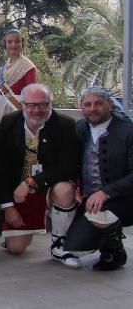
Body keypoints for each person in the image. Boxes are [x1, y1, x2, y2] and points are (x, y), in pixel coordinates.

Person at [0, 84, 79, 256]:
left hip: (49, 187)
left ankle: (59, 245)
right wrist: (8, 206)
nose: (36, 110)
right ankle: (24, 230)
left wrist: (31, 182)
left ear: (51, 103)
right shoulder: (9, 123)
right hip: (19, 194)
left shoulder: (66, 125)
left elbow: (67, 166)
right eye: (30, 105)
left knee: (65, 189)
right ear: (22, 104)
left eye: (43, 104)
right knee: (16, 249)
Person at [57, 86, 133, 271]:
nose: (93, 109)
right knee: (73, 248)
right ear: (81, 107)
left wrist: (106, 192)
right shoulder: (80, 128)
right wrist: (74, 185)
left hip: (124, 199)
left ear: (109, 105)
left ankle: (115, 250)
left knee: (101, 215)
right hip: (89, 200)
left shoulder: (128, 131)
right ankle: (103, 238)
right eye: (87, 104)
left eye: (99, 103)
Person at [0, 29, 39, 124]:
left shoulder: (28, 66)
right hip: (1, 107)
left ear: (22, 44)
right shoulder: (5, 66)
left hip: (19, 111)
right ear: (5, 45)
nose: (13, 45)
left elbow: (32, 93)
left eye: (17, 41)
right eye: (10, 42)